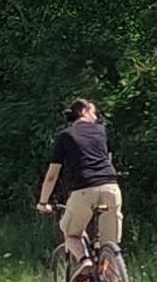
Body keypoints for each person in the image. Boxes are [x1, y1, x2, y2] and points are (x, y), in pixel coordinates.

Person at [37, 97, 122, 262]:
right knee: (110, 244)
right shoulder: (102, 131)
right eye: (94, 113)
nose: (96, 117)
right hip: (111, 187)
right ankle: (112, 275)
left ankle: (85, 261)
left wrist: (43, 202)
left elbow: (52, 174)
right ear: (83, 111)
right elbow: (108, 158)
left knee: (71, 234)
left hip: (84, 189)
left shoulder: (65, 136)